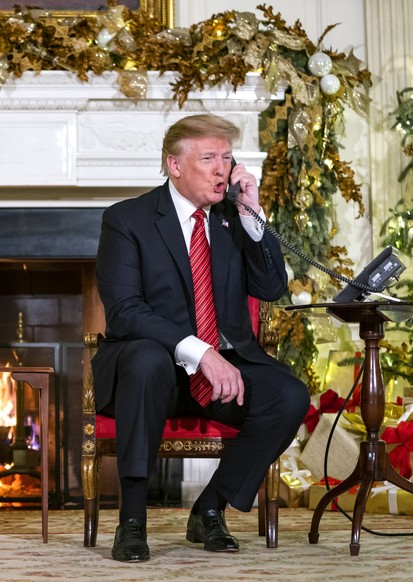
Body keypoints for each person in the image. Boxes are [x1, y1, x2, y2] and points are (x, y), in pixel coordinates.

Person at [92, 114, 309, 562]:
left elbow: (270, 288)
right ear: (174, 164)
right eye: (209, 158)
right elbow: (125, 310)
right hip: (151, 373)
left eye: (227, 158)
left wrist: (253, 216)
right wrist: (201, 351)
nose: (221, 169)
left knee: (288, 395)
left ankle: (210, 506)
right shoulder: (126, 219)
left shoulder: (233, 220)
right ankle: (131, 521)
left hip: (222, 373)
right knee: (147, 361)